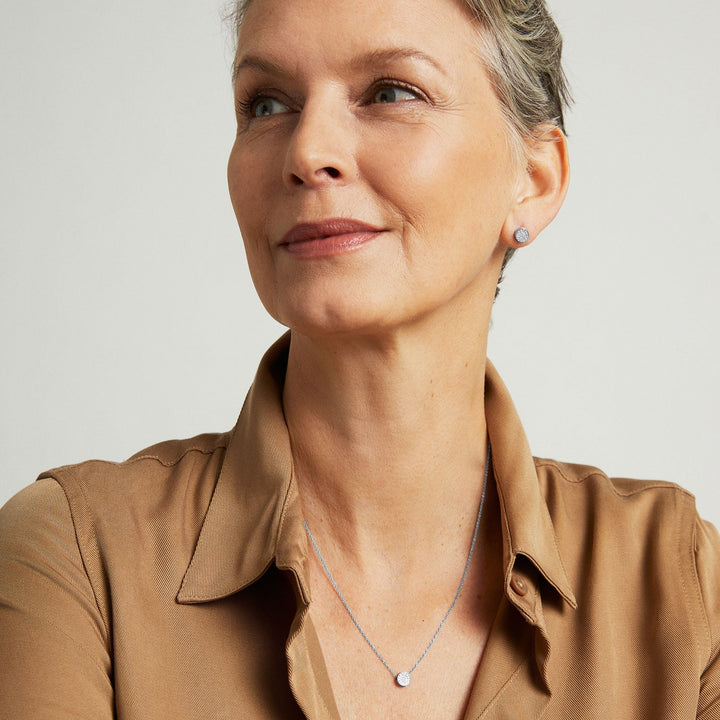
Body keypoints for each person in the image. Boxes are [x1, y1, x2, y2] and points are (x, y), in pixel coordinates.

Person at [1, 0, 718, 717]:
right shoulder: (78, 558)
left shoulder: (682, 585)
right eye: (267, 104)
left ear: (533, 179)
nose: (307, 152)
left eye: (391, 93)